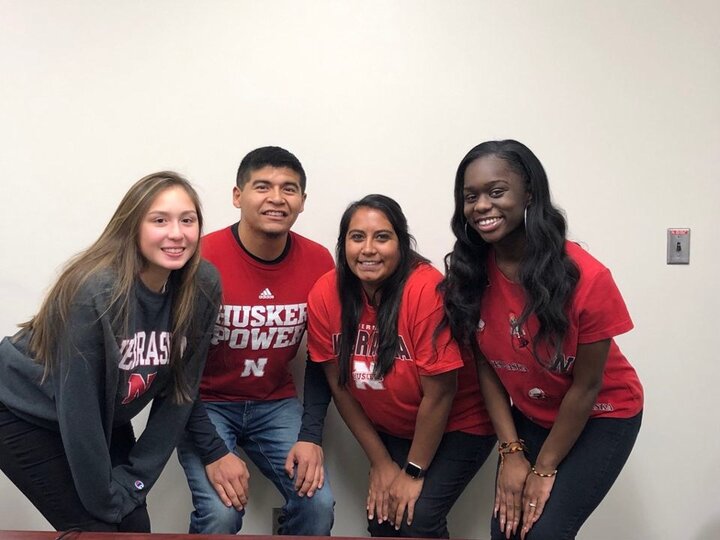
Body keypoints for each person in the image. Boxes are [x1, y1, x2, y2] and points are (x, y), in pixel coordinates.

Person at [441, 140, 644, 540]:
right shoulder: (471, 274)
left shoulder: (587, 277)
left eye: (496, 192)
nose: (482, 205)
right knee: (506, 531)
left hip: (603, 414)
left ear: (529, 193)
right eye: (471, 197)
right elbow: (487, 366)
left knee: (543, 532)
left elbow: (586, 387)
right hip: (533, 416)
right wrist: (511, 453)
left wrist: (544, 468)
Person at [0, 171, 222, 532]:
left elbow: (180, 395)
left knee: (134, 526)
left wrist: (135, 481)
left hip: (100, 416)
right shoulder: (96, 291)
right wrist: (105, 499)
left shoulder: (203, 287)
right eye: (160, 220)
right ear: (132, 225)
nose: (177, 233)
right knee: (98, 529)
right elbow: (79, 405)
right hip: (23, 408)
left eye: (188, 220)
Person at [307, 194, 496, 538]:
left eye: (382, 237)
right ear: (343, 244)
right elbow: (339, 386)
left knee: (417, 517)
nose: (368, 249)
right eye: (357, 237)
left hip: (459, 423)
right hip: (395, 428)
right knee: (383, 518)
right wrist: (380, 463)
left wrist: (412, 472)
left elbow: (441, 394)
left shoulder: (425, 290)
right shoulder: (325, 293)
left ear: (401, 243)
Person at [176, 146, 335, 535]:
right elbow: (172, 368)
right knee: (220, 513)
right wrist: (214, 451)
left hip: (275, 403)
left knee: (318, 505)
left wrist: (311, 437)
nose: (277, 198)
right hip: (205, 403)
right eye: (262, 186)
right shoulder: (199, 256)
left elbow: (321, 356)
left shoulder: (319, 261)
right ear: (237, 196)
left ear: (302, 202)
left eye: (289, 189)